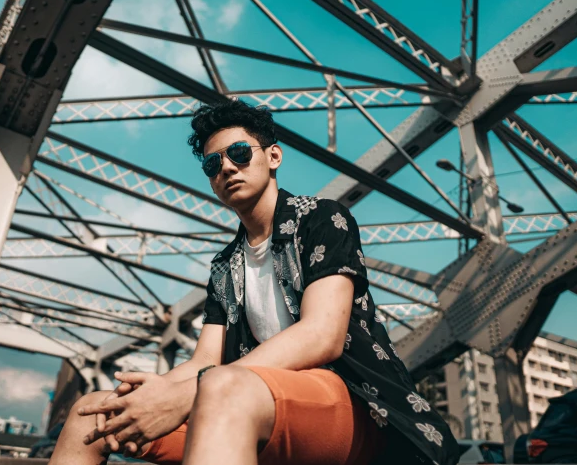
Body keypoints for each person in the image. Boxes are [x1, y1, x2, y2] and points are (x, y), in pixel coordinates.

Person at [49, 100, 459, 465]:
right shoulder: (225, 266)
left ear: (273, 156)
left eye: (240, 154)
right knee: (96, 411)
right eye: (213, 164)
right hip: (255, 402)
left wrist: (191, 392)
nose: (226, 167)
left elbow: (322, 336)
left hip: (356, 404)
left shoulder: (322, 218)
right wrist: (156, 394)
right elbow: (203, 362)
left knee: (222, 387)